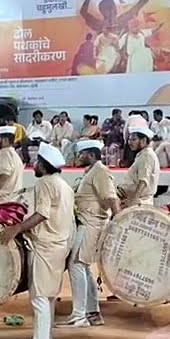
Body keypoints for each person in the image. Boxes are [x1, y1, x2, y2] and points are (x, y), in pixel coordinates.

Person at [0, 143, 74, 339]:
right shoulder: (64, 185)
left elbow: (41, 214)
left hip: (45, 246)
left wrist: (16, 229)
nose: (34, 165)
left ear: (44, 165)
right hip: (58, 246)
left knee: (39, 297)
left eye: (37, 162)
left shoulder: (45, 184)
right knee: (48, 296)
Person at [61, 139, 117, 328]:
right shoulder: (92, 172)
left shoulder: (100, 172)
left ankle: (79, 315)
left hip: (91, 224)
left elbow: (110, 197)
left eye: (82, 154)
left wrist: (118, 221)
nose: (79, 157)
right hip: (87, 223)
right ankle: (92, 312)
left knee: (76, 264)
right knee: (83, 266)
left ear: (91, 155)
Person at [115, 123, 159, 207]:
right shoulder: (142, 154)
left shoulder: (147, 155)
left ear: (143, 141)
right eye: (129, 140)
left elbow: (143, 180)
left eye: (133, 140)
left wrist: (134, 200)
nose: (130, 143)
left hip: (139, 201)